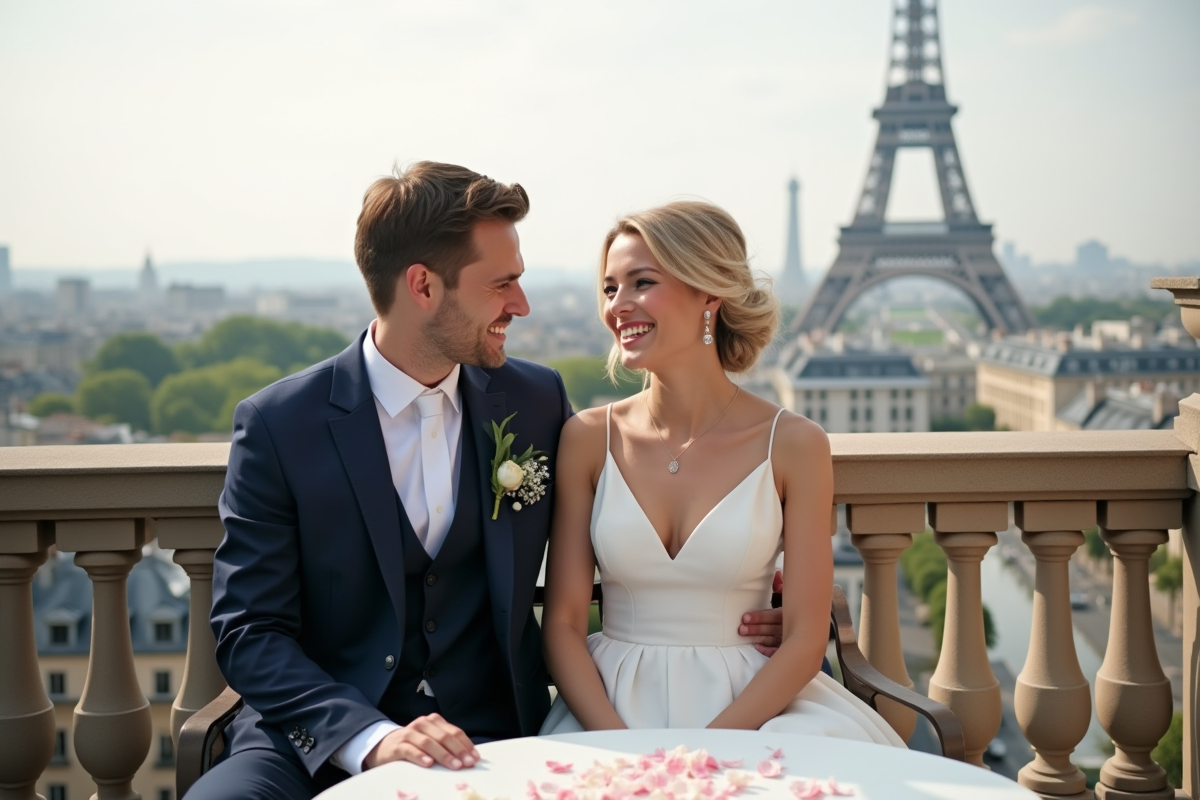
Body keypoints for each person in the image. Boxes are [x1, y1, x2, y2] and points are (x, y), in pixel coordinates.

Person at [186, 164, 785, 799]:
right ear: (423, 286)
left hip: (495, 740)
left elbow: (635, 520)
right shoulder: (280, 425)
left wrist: (754, 603)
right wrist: (369, 737)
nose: (521, 305)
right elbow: (249, 631)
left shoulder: (535, 401)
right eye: (502, 284)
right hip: (316, 741)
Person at [540, 201, 905, 745]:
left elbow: (805, 640)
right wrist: (619, 746)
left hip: (753, 713)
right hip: (609, 710)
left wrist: (709, 750)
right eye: (610, 288)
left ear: (709, 292)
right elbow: (564, 625)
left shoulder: (795, 444)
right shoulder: (588, 439)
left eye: (642, 282)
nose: (618, 305)